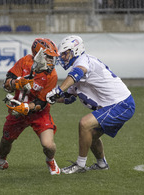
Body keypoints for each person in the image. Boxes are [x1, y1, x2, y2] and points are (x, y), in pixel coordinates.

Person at [46, 35, 135, 174]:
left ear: (75, 50)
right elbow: (68, 97)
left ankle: (80, 165)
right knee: (90, 135)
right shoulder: (78, 68)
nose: (62, 57)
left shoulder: (83, 61)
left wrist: (58, 90)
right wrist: (50, 97)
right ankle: (101, 164)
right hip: (115, 105)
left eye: (65, 53)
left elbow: (78, 72)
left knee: (84, 124)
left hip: (121, 104)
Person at [0, 38, 61, 175]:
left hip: (38, 113)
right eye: (48, 57)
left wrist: (26, 107)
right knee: (6, 139)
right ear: (38, 54)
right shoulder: (25, 62)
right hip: (17, 112)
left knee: (48, 145)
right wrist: (16, 83)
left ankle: (50, 160)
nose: (51, 61)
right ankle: (0, 162)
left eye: (52, 58)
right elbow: (6, 83)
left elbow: (42, 103)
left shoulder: (52, 75)